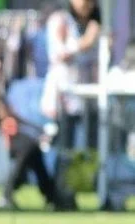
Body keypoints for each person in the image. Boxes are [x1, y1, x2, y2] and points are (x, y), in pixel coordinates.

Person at [0, 41, 70, 210]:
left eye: (0, 59)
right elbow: (3, 114)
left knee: (32, 148)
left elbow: (12, 115)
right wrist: (35, 130)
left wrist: (36, 129)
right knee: (27, 146)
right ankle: (9, 194)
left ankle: (50, 194)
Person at [42, 0, 102, 147]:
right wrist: (85, 42)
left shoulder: (93, 24)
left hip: (89, 101)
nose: (87, 4)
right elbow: (59, 53)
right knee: (64, 149)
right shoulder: (60, 19)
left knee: (89, 147)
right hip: (64, 99)